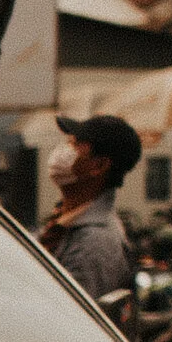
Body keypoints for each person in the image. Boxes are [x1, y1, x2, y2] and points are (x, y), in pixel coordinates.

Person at [39, 114, 140, 302]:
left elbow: (66, 315)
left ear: (99, 165)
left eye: (74, 145)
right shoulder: (65, 221)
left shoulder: (94, 243)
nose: (61, 151)